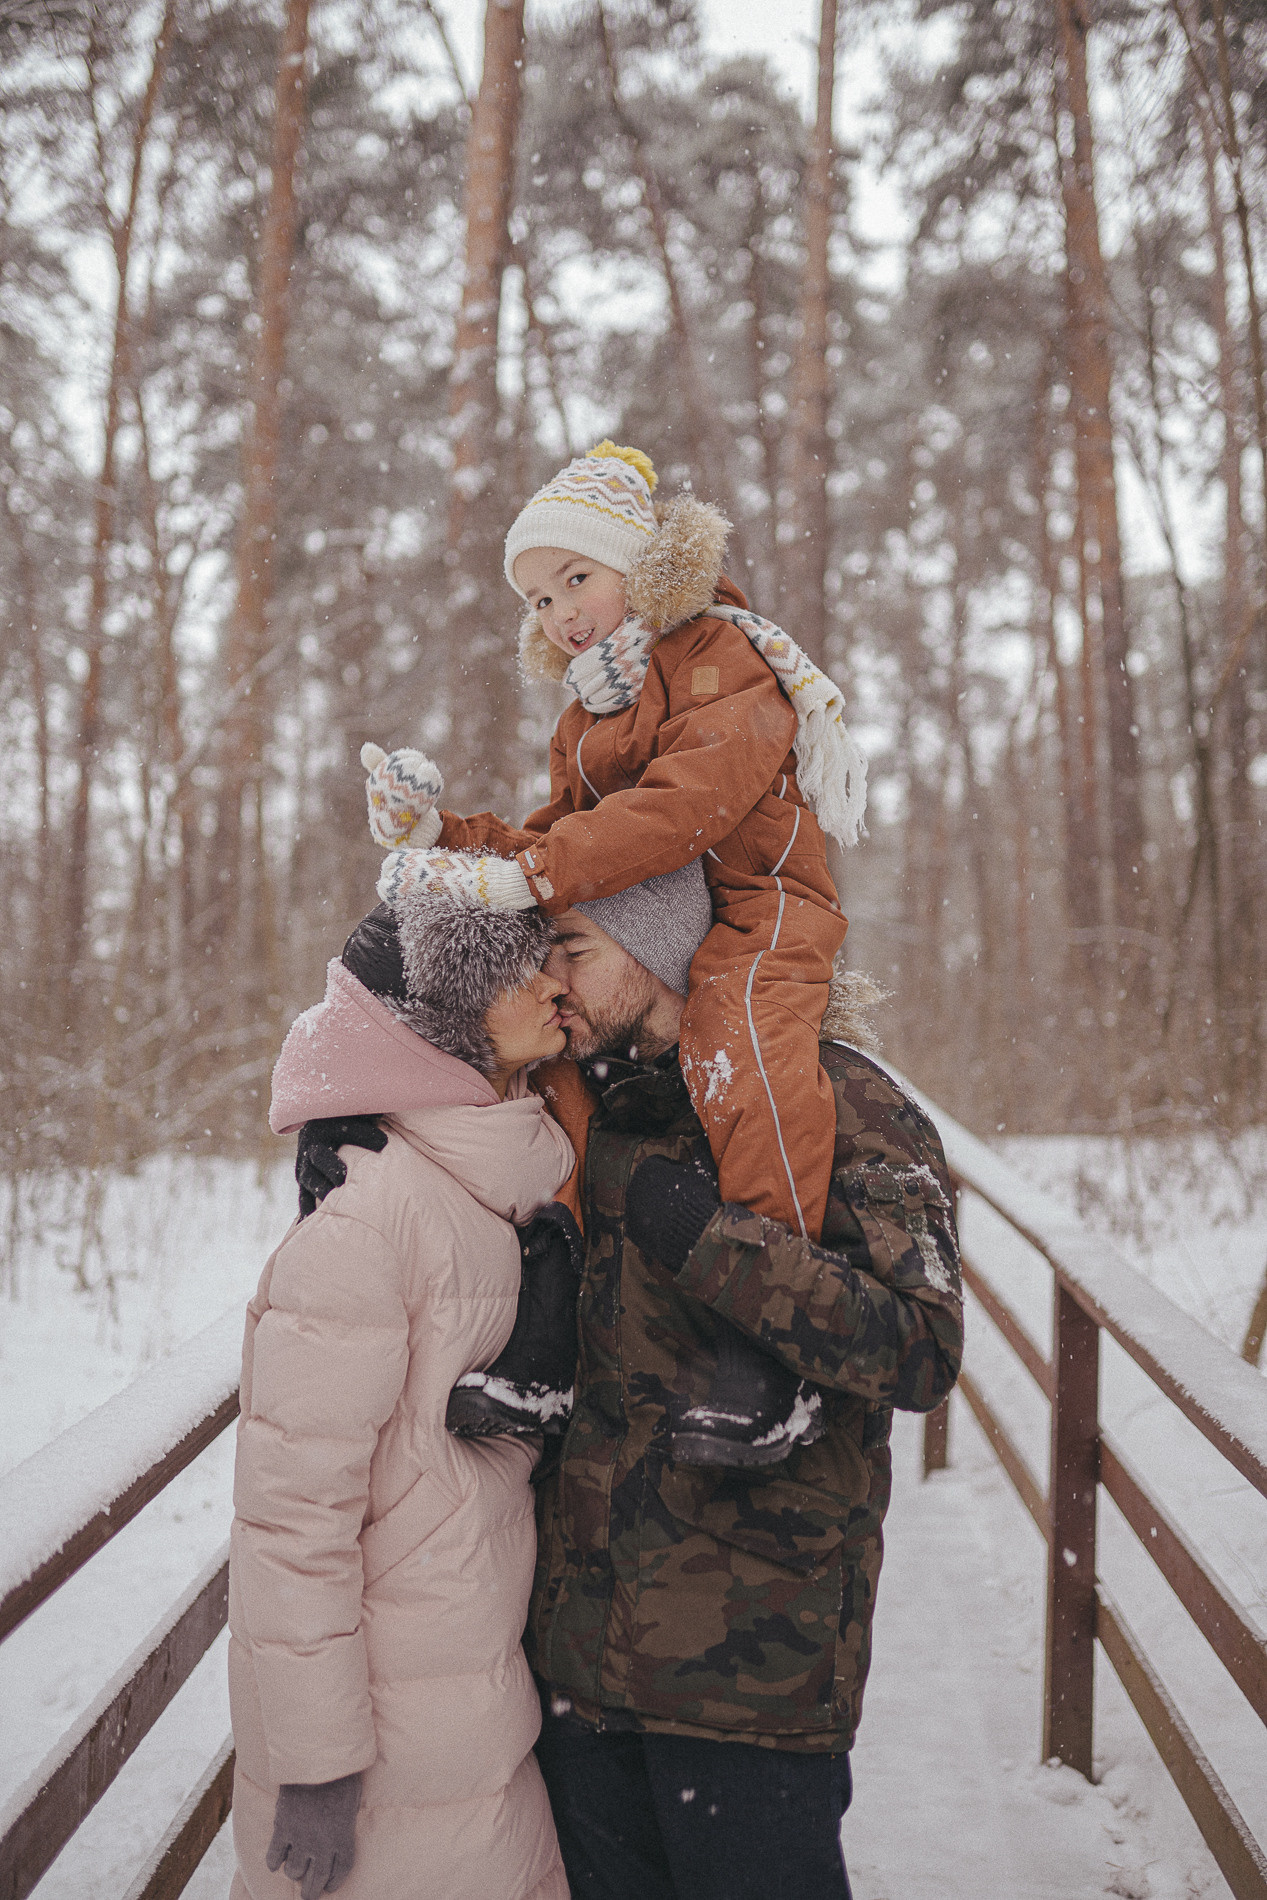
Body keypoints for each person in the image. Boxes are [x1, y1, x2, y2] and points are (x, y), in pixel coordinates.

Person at [300, 875, 965, 1899]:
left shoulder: (837, 1099)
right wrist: (342, 1130)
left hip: (749, 1678)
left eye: (572, 947)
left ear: (655, 948)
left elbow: (919, 1345)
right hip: (578, 1678)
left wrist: (708, 1240)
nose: (549, 977)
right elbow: (424, 1070)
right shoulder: (588, 1107)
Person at [357, 439, 869, 1461]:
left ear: (644, 563)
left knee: (744, 1053)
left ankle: (768, 1346)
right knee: (560, 1076)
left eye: (575, 578)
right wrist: (441, 835)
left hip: (757, 904)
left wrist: (534, 878)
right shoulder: (589, 706)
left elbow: (687, 808)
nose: (559, 613)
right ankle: (548, 1335)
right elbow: (556, 833)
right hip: (643, 916)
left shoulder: (725, 654)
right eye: (539, 599)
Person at [228, 873, 578, 1900]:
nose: (554, 985)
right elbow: (292, 1522)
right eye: (520, 971)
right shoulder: (366, 1226)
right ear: (448, 1032)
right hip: (378, 1761)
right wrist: (314, 1763)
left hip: (471, 1718)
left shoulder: (489, 1191)